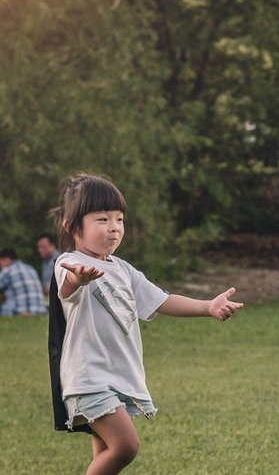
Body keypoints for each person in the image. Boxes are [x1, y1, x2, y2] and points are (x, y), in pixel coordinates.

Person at [48, 173, 244, 474]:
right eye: (102, 219)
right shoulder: (67, 262)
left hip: (118, 376)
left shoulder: (123, 269)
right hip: (88, 378)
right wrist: (79, 276)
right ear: (73, 226)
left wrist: (207, 306)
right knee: (126, 447)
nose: (114, 228)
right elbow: (68, 282)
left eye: (119, 219)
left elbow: (161, 300)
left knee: (106, 453)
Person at [0, 248, 48, 316]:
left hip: (18, 312)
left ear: (6, 259)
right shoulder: (31, 269)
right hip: (40, 311)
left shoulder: (7, 271)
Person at [37, 232, 61, 301]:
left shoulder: (59, 260)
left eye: (43, 247)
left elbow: (52, 288)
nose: (40, 250)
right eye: (39, 247)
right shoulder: (45, 261)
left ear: (52, 246)